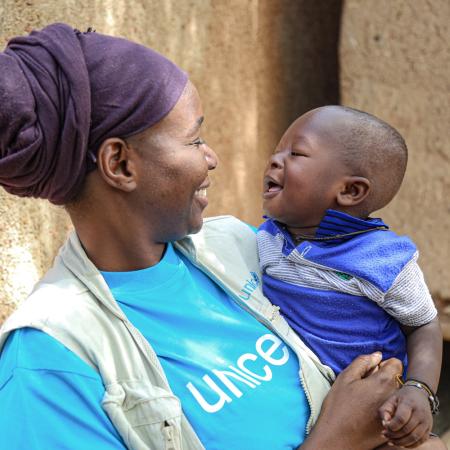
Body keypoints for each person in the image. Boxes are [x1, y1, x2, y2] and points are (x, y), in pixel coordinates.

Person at [0, 24, 445, 450]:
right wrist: (336, 438)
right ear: (120, 165)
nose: (211, 158)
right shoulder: (49, 362)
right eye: (194, 140)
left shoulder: (240, 248)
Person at [257, 106, 443, 448]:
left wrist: (419, 391)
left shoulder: (383, 260)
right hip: (304, 417)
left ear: (351, 191)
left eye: (295, 153)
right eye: (275, 151)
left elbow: (424, 325)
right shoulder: (265, 239)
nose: (274, 161)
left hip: (377, 419)